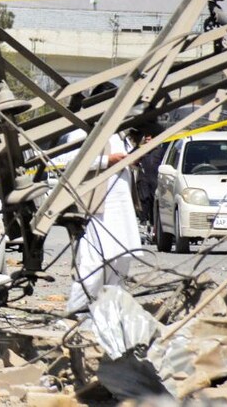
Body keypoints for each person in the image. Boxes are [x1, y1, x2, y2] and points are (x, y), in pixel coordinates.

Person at [51, 84, 142, 316]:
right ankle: (75, 314)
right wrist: (106, 160)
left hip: (122, 209)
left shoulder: (120, 132)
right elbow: (65, 160)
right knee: (94, 264)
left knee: (121, 262)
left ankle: (111, 316)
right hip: (98, 209)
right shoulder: (84, 130)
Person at [130, 122, 166, 244]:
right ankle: (144, 227)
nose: (148, 138)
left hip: (156, 181)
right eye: (146, 136)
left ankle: (155, 229)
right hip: (143, 181)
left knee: (154, 205)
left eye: (151, 136)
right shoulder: (140, 150)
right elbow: (131, 161)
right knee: (144, 202)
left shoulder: (160, 151)